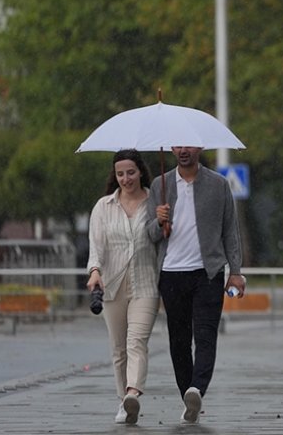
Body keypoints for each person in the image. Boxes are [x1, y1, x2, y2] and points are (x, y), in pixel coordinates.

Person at [147, 146, 245, 424]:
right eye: (177, 145)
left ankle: (196, 388)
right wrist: (160, 221)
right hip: (171, 273)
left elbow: (230, 230)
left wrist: (235, 271)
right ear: (172, 149)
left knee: (205, 335)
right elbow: (149, 232)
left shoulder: (218, 185)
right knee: (178, 341)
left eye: (189, 145)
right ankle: (187, 396)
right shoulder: (160, 185)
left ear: (200, 148)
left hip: (208, 273)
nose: (183, 150)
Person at [86, 149, 160, 425]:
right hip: (112, 285)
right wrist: (95, 272)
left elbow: (162, 238)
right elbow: (97, 248)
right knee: (118, 349)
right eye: (120, 174)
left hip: (146, 284)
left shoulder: (155, 201)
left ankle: (133, 394)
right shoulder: (103, 207)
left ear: (140, 171)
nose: (126, 178)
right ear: (114, 175)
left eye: (131, 172)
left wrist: (164, 220)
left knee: (136, 342)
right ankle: (123, 402)